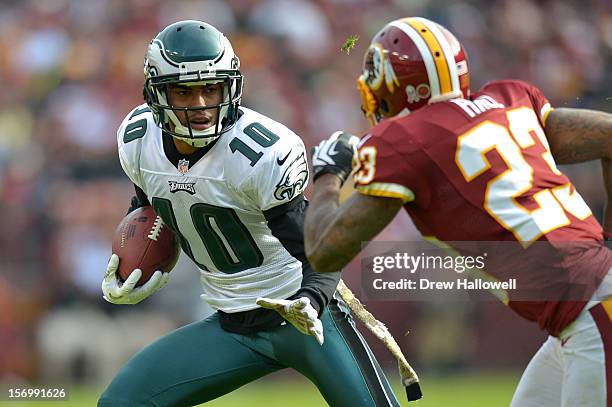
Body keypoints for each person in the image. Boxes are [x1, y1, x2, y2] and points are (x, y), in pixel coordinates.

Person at [304, 16, 612, 407]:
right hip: (580, 314)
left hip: (593, 311)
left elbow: (324, 251)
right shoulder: (508, 102)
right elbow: (608, 136)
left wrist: (328, 173)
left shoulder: (405, 141)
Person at [98, 20, 401, 407]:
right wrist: (136, 262)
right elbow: (150, 204)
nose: (202, 105)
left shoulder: (259, 154)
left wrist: (310, 300)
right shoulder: (138, 139)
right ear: (156, 94)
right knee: (121, 402)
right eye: (185, 92)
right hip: (231, 325)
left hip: (305, 319)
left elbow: (324, 251)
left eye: (212, 89)